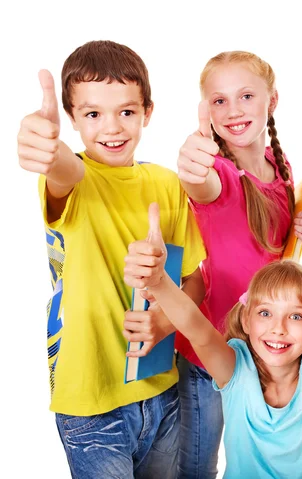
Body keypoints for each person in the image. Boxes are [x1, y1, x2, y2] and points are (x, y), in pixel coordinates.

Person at [17, 40, 205, 478]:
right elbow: (62, 168)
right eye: (92, 114)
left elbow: (194, 280)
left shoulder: (168, 184)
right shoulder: (74, 181)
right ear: (72, 119)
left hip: (161, 391)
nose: (112, 127)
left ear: (147, 113)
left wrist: (166, 321)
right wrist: (46, 146)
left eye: (126, 111)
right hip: (91, 404)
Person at [125, 203, 302, 478]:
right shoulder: (234, 369)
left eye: (295, 317)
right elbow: (197, 330)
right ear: (246, 320)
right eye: (265, 313)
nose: (278, 329)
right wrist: (160, 282)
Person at [173, 50, 302, 477]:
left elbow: (272, 254)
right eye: (219, 101)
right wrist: (192, 164)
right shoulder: (218, 172)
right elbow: (199, 185)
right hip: (211, 359)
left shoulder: (280, 166)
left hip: (262, 355)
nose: (233, 111)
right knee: (197, 467)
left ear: (271, 101)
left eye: (245, 96)